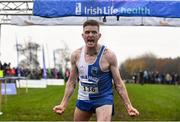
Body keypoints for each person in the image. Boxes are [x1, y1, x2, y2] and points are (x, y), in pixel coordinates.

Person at [53, 19, 139, 121]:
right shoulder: (76, 55)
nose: (90, 35)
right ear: (83, 35)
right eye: (87, 32)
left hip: (103, 98)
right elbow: (71, 82)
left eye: (94, 32)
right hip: (84, 98)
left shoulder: (108, 56)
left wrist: (129, 106)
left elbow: (118, 83)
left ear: (99, 36)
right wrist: (63, 104)